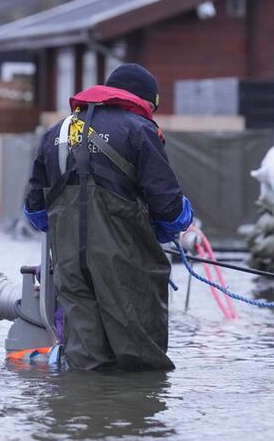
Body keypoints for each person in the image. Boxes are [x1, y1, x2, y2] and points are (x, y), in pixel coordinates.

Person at [23, 63, 193, 371]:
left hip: (70, 266)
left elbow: (34, 210)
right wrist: (176, 223)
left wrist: (69, 231)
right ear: (144, 100)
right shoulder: (140, 130)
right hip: (124, 264)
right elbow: (169, 209)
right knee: (141, 362)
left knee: (86, 360)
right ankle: (131, 416)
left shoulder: (56, 133)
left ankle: (85, 414)